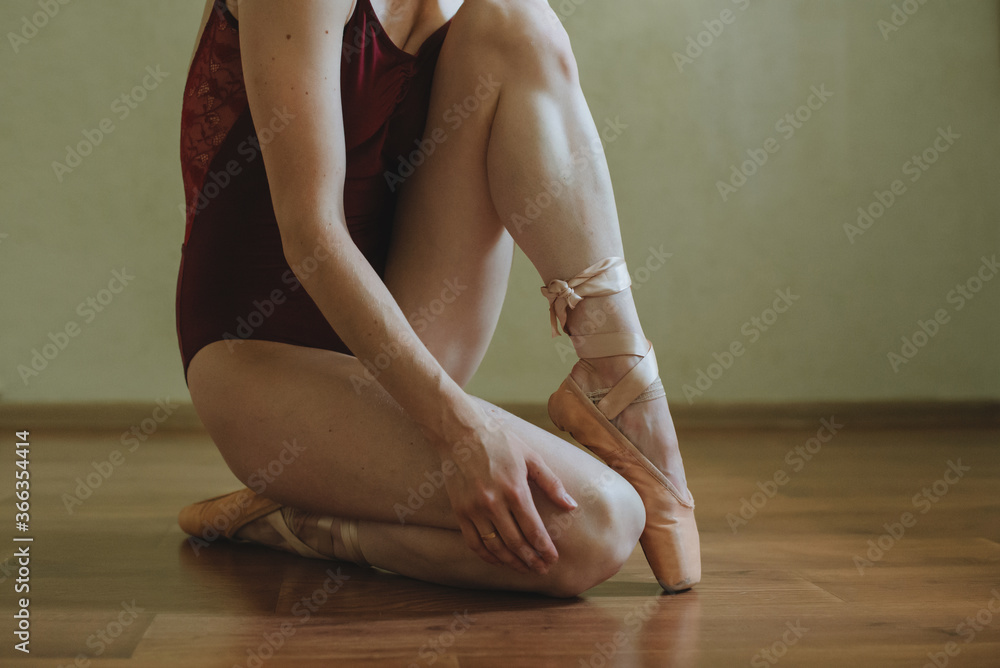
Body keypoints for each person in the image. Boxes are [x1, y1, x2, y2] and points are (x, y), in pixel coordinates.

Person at [175, 0, 699, 598]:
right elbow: (311, 236)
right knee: (598, 526)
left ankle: (622, 382)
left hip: (399, 341)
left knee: (517, 22)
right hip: (258, 360)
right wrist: (463, 433)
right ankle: (305, 521)